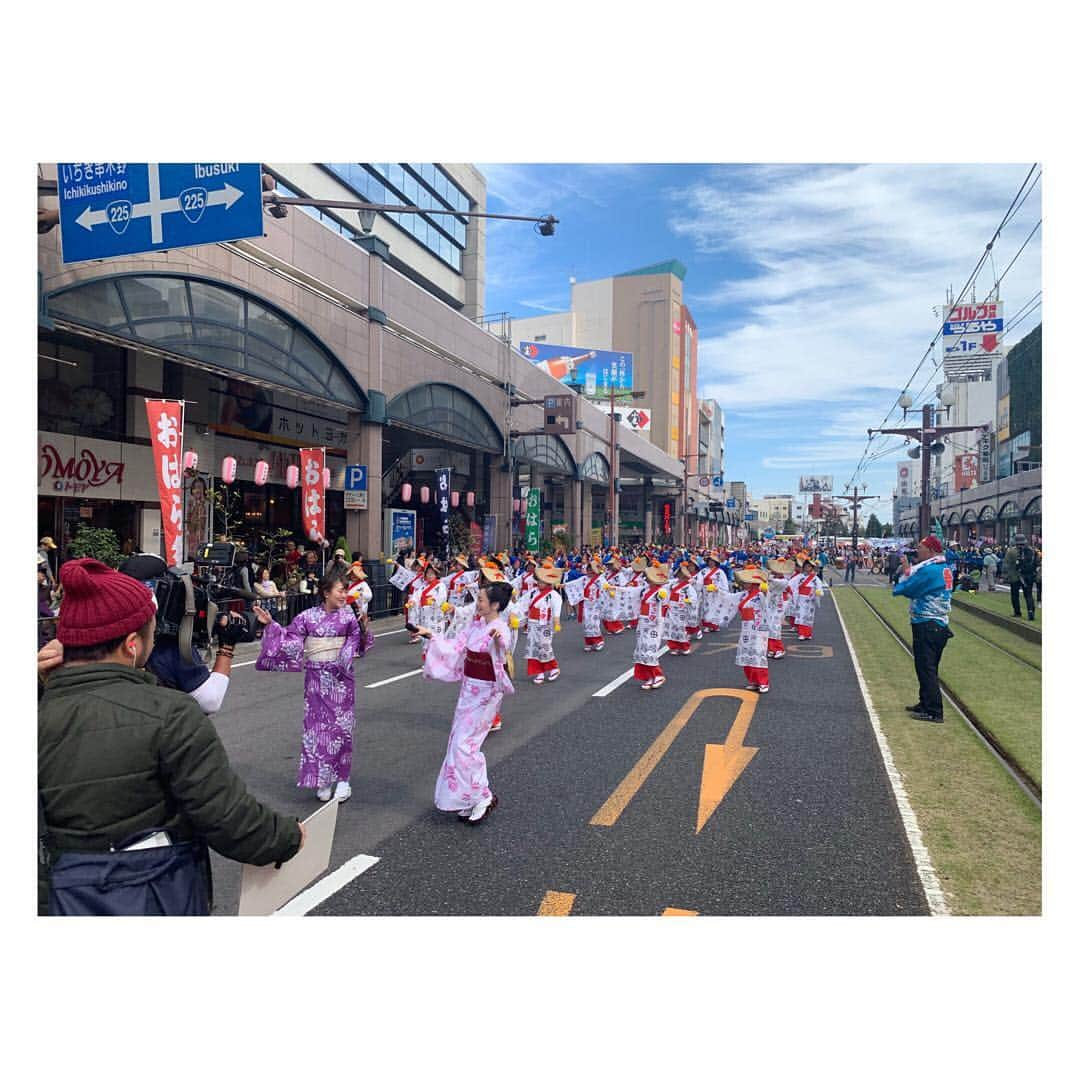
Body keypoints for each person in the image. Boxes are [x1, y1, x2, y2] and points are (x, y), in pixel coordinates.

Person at [38, 559, 304, 915]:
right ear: (132, 645)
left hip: (57, 901)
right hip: (152, 897)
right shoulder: (171, 714)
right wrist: (288, 837)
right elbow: (229, 820)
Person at [254, 569, 362, 802]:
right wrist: (271, 624)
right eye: (340, 590)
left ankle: (343, 779)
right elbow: (290, 640)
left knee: (341, 729)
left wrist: (345, 657)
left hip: (341, 679)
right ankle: (322, 779)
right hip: (315, 679)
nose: (344, 595)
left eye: (345, 590)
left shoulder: (348, 617)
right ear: (326, 593)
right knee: (317, 730)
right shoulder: (307, 617)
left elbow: (356, 638)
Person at [416, 578, 515, 824]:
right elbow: (455, 646)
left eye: (481, 600)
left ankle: (483, 795)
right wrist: (431, 635)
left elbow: (503, 648)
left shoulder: (500, 628)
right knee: (458, 743)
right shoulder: (475, 626)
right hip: (469, 691)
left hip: (486, 694)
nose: (477, 604)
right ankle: (467, 797)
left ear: (494, 604)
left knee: (465, 745)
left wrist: (497, 641)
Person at [892, 536, 953, 723]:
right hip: (937, 624)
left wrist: (901, 583)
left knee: (926, 668)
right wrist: (906, 568)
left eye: (921, 547)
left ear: (931, 550)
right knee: (926, 666)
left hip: (927, 624)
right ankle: (925, 703)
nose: (917, 550)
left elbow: (909, 587)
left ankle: (934, 710)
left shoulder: (930, 570)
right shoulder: (943, 568)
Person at [524, 562, 563, 684]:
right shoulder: (532, 592)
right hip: (532, 623)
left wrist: (556, 620)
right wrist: (515, 614)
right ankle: (538, 672)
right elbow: (522, 604)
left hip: (545, 623)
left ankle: (553, 668)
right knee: (533, 648)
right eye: (538, 580)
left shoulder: (553, 595)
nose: (539, 583)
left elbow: (557, 607)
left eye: (542, 581)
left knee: (545, 646)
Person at [1002, 534, 1038, 620]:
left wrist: (1005, 575)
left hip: (1015, 577)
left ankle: (1017, 612)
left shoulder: (1011, 551)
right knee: (1028, 595)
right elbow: (1036, 563)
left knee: (1015, 595)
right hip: (1028, 576)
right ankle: (1030, 611)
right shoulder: (1032, 550)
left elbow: (1006, 565)